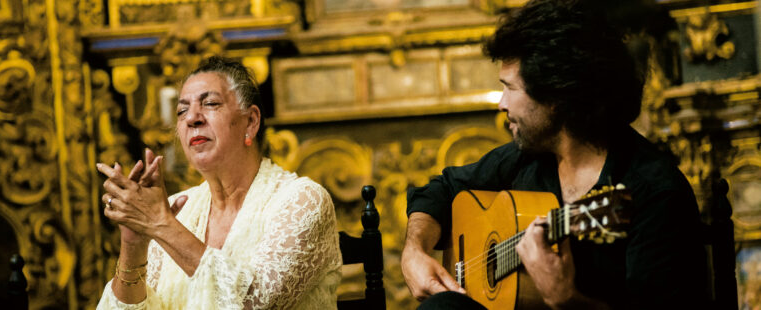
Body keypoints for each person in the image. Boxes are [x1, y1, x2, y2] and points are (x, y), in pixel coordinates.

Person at [401, 0, 708, 309]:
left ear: (556, 97)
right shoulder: (525, 159)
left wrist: (567, 299)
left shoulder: (652, 192)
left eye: (510, 88)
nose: (501, 104)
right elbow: (440, 189)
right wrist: (415, 249)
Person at [95, 56, 341, 309]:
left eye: (210, 103)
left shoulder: (303, 200)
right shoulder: (174, 211)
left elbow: (256, 303)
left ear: (251, 121)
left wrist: (160, 224)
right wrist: (134, 244)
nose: (192, 118)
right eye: (181, 111)